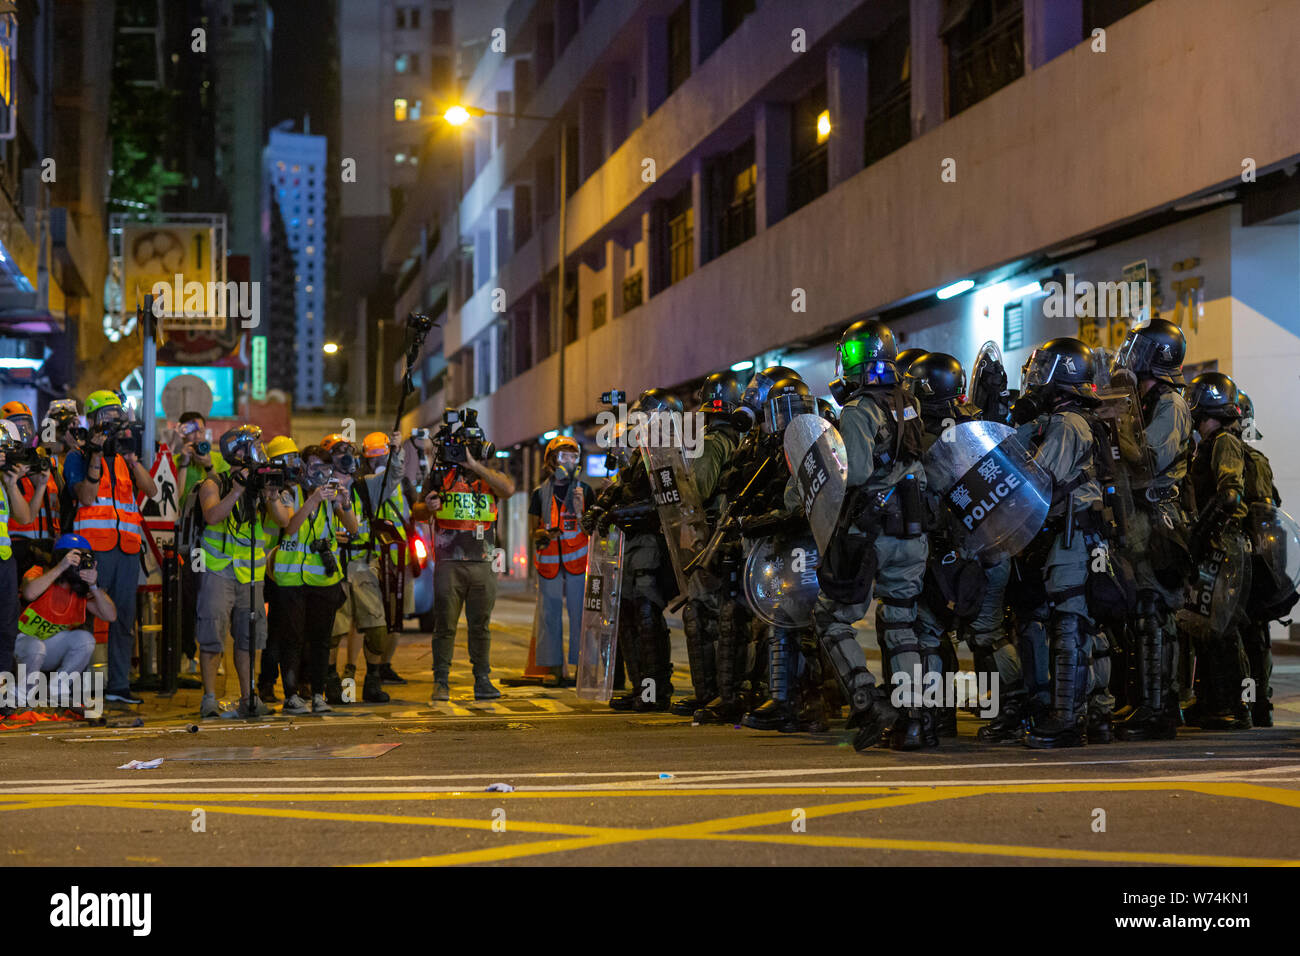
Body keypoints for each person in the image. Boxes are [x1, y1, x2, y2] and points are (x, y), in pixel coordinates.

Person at [814, 321, 930, 751]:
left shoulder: (858, 410)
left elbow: (856, 472)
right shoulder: (909, 404)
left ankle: (867, 701)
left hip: (873, 533)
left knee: (831, 616)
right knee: (902, 622)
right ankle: (913, 722)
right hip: (913, 533)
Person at [1010, 338, 1106, 749]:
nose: (1035, 377)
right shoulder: (1077, 420)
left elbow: (1039, 479)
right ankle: (1093, 714)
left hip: (1073, 535)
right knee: (1083, 625)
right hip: (1084, 533)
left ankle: (1066, 720)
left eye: (1042, 369)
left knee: (1069, 623)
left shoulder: (1068, 424)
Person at [1106, 319, 1193, 741]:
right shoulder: (1146, 400)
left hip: (1158, 521)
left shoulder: (1170, 404)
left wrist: (1118, 415)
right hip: (1137, 518)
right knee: (1143, 614)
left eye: (1138, 348)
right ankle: (1150, 702)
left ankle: (1159, 711)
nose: (1129, 354)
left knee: (1155, 613)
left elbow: (1146, 457)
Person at [581, 389, 680, 713]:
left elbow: (658, 504)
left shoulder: (669, 451)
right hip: (631, 542)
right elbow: (625, 487)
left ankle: (654, 691)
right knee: (626, 616)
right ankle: (641, 688)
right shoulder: (643, 451)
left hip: (651, 543)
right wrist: (602, 506)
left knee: (648, 616)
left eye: (647, 416)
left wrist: (612, 513)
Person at [63, 390, 157, 706]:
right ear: (92, 420)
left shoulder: (123, 457)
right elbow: (86, 498)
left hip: (127, 548)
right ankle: (80, 686)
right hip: (94, 548)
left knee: (123, 618)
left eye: (116, 414)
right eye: (106, 415)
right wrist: (94, 454)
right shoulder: (77, 455)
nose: (113, 420)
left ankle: (118, 684)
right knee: (86, 616)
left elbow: (151, 490)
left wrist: (131, 459)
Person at [194, 426, 293, 718]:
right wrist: (237, 490)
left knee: (249, 638)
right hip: (218, 571)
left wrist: (271, 495)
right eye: (252, 446)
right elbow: (212, 515)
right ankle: (209, 698)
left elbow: (282, 520)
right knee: (212, 636)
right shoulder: (213, 483)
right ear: (236, 452)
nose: (258, 451)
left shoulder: (260, 486)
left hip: (251, 574)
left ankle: (249, 698)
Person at [418, 414, 516, 702]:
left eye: (473, 446)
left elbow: (508, 489)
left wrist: (474, 466)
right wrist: (428, 505)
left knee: (480, 626)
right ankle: (441, 681)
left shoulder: (490, 479)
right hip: (449, 564)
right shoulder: (440, 476)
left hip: (483, 564)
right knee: (445, 626)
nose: (467, 451)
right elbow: (419, 512)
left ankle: (482, 680)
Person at [1182, 372, 1254, 730]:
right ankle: (1213, 701)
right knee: (1207, 627)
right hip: (1216, 541)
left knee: (1222, 628)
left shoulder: (1224, 441)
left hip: (1223, 543)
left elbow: (1230, 495)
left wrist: (1201, 533)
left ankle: (1234, 707)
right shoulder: (1210, 442)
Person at [266, 441, 356, 714]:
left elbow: (353, 529)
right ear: (303, 468)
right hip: (290, 580)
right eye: (315, 466)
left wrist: (345, 502)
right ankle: (291, 695)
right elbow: (289, 526)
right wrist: (314, 498)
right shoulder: (289, 492)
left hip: (323, 580)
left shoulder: (330, 495)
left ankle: (318, 695)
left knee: (320, 640)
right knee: (291, 639)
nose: (320, 472)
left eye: (325, 467)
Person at [676, 370, 743, 716]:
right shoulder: (742, 437)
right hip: (734, 540)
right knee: (725, 618)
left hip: (713, 537)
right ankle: (722, 694)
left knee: (703, 615)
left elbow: (699, 489)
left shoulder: (713, 441)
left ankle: (715, 695)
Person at [322, 434, 392, 704]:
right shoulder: (319, 487)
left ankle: (372, 682)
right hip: (331, 566)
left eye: (349, 451)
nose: (346, 456)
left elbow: (393, 477)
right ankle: (331, 683)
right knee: (334, 630)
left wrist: (395, 450)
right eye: (338, 452)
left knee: (377, 627)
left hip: (363, 565)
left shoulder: (365, 486)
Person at [14, 534, 115, 708]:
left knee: (85, 640)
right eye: (74, 557)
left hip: (48, 648)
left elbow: (110, 615)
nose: (78, 562)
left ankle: (57, 690)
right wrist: (61, 567)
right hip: (19, 645)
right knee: (36, 647)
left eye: (83, 557)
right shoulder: (40, 571)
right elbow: (29, 592)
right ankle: (21, 697)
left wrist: (93, 586)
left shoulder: (81, 589)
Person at [528, 435, 592, 685]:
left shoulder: (585, 491)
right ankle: (554, 669)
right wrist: (542, 533)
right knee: (549, 616)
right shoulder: (539, 493)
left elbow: (591, 529)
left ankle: (583, 668)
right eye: (563, 455)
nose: (569, 460)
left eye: (573, 455)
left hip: (578, 561)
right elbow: (534, 530)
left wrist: (579, 510)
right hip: (549, 563)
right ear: (551, 461)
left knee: (581, 616)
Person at [0, 427, 36, 709]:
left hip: (4, 562)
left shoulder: (4, 481)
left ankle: (1, 697)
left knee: (6, 631)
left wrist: (12, 484)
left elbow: (24, 517)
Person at [3, 402, 61, 551]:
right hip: (15, 546)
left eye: (27, 426)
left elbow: (31, 515)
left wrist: (41, 484)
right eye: (17, 427)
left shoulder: (41, 463)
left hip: (45, 546)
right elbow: (24, 519)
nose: (24, 432)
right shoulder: (6, 469)